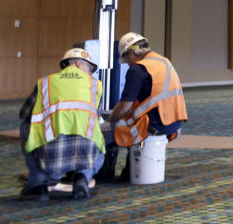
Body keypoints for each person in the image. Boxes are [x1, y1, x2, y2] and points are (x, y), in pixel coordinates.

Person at [19, 48, 105, 201]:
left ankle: (38, 183)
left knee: (26, 126)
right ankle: (82, 177)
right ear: (78, 64)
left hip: (49, 154)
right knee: (98, 133)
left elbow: (24, 114)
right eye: (90, 68)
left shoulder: (46, 82)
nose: (91, 73)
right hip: (86, 154)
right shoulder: (95, 85)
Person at [106, 32, 187, 182]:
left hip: (156, 125)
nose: (127, 63)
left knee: (108, 131)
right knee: (132, 118)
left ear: (131, 53)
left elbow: (124, 107)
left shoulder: (137, 70)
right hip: (174, 123)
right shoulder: (164, 61)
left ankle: (103, 174)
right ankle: (130, 170)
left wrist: (109, 120)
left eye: (126, 57)